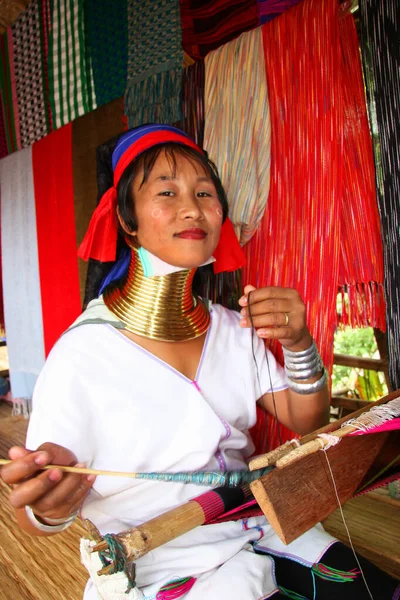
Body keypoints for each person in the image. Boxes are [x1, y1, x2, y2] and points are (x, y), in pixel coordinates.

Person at [1, 125, 398, 600]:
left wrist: (298, 344)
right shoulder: (83, 354)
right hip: (161, 558)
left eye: (205, 192)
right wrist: (49, 507)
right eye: (166, 192)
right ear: (126, 220)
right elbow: (39, 508)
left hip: (264, 527)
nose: (192, 207)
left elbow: (304, 417)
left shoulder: (233, 328)